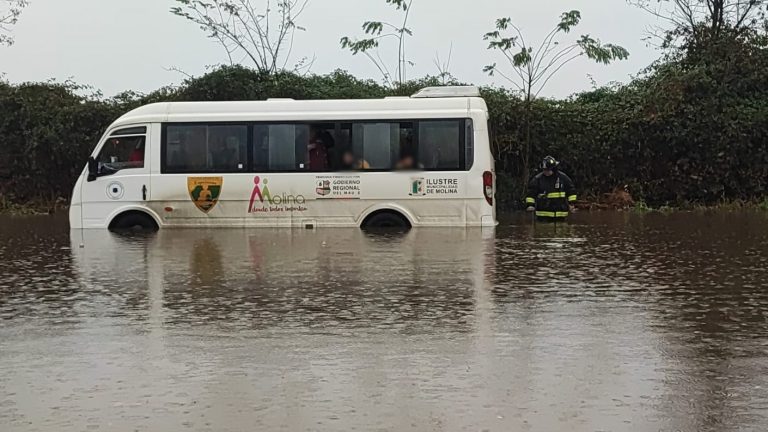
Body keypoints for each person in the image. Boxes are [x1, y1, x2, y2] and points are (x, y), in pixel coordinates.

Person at [525, 156, 577, 221]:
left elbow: (571, 191)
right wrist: (530, 205)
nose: (546, 172)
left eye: (548, 170)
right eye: (544, 170)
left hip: (560, 215)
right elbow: (530, 194)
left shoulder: (563, 178)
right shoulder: (537, 179)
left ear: (554, 169)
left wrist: (571, 204)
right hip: (543, 216)